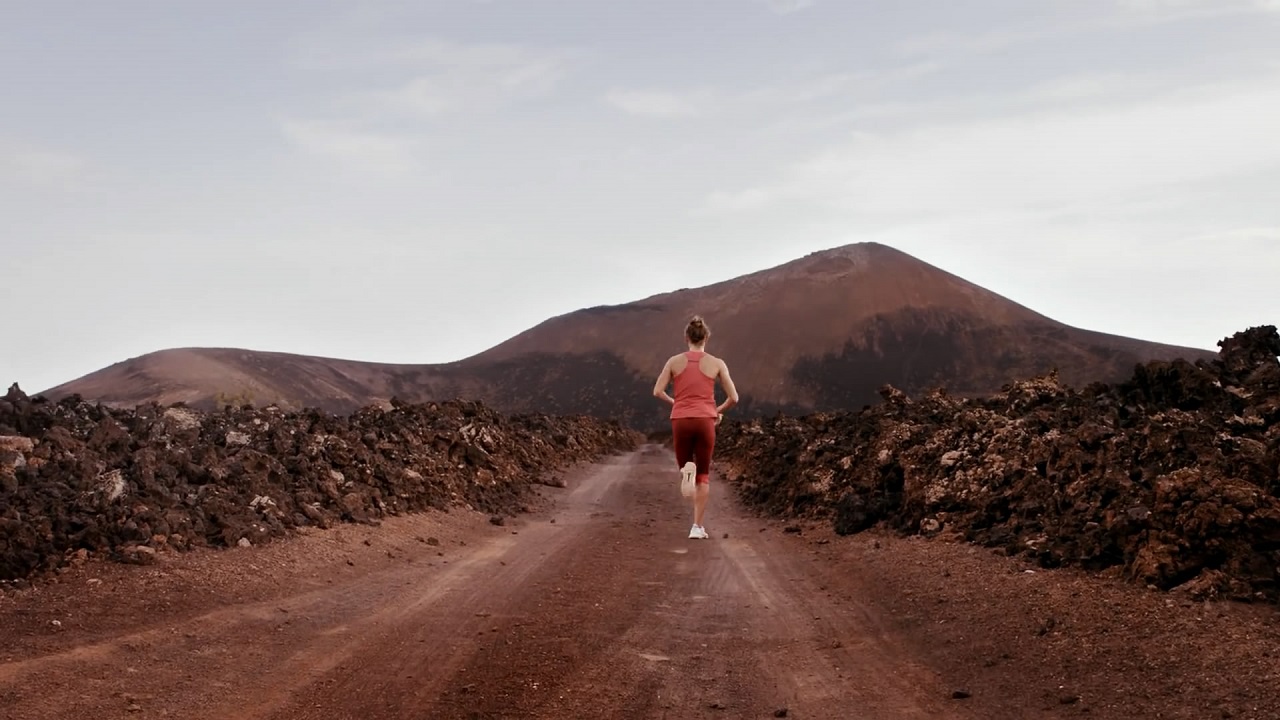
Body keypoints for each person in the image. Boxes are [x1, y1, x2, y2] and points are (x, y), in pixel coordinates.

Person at [652, 315, 739, 539]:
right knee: (703, 475)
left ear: (686, 338)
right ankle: (697, 527)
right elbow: (734, 398)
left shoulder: (674, 361)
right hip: (705, 420)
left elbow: (657, 391)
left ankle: (685, 472)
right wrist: (716, 411)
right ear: (706, 338)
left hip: (680, 420)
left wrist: (676, 403)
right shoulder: (717, 363)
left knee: (686, 467)